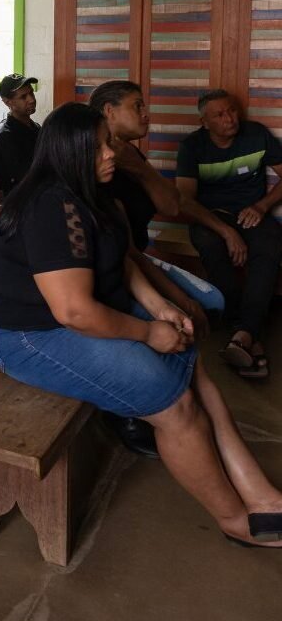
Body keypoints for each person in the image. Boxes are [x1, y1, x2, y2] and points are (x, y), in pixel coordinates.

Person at [0, 101, 282, 549]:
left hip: (81, 311)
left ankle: (260, 493)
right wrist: (147, 332)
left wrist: (160, 308)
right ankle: (234, 518)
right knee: (175, 402)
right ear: (71, 152)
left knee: (189, 359)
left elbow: (122, 261)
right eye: (101, 146)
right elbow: (73, 312)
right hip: (30, 337)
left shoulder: (89, 190)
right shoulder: (51, 205)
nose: (111, 154)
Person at [89, 80, 224, 458]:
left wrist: (141, 168)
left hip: (138, 259)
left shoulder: (128, 155)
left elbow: (170, 204)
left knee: (212, 300)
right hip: (125, 264)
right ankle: (132, 409)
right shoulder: (97, 165)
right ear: (109, 112)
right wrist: (176, 298)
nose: (147, 114)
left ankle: (178, 391)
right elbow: (126, 254)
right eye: (138, 106)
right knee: (187, 309)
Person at [176, 89, 282, 379]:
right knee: (211, 247)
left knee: (269, 247)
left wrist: (261, 206)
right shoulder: (192, 147)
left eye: (232, 111)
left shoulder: (256, 135)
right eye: (219, 115)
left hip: (251, 212)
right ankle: (248, 334)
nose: (230, 118)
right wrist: (225, 231)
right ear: (204, 122)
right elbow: (185, 200)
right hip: (211, 219)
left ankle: (242, 334)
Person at [0, 73, 40, 201]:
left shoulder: (37, 128)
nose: (31, 99)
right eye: (23, 97)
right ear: (8, 102)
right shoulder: (5, 137)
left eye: (31, 93)